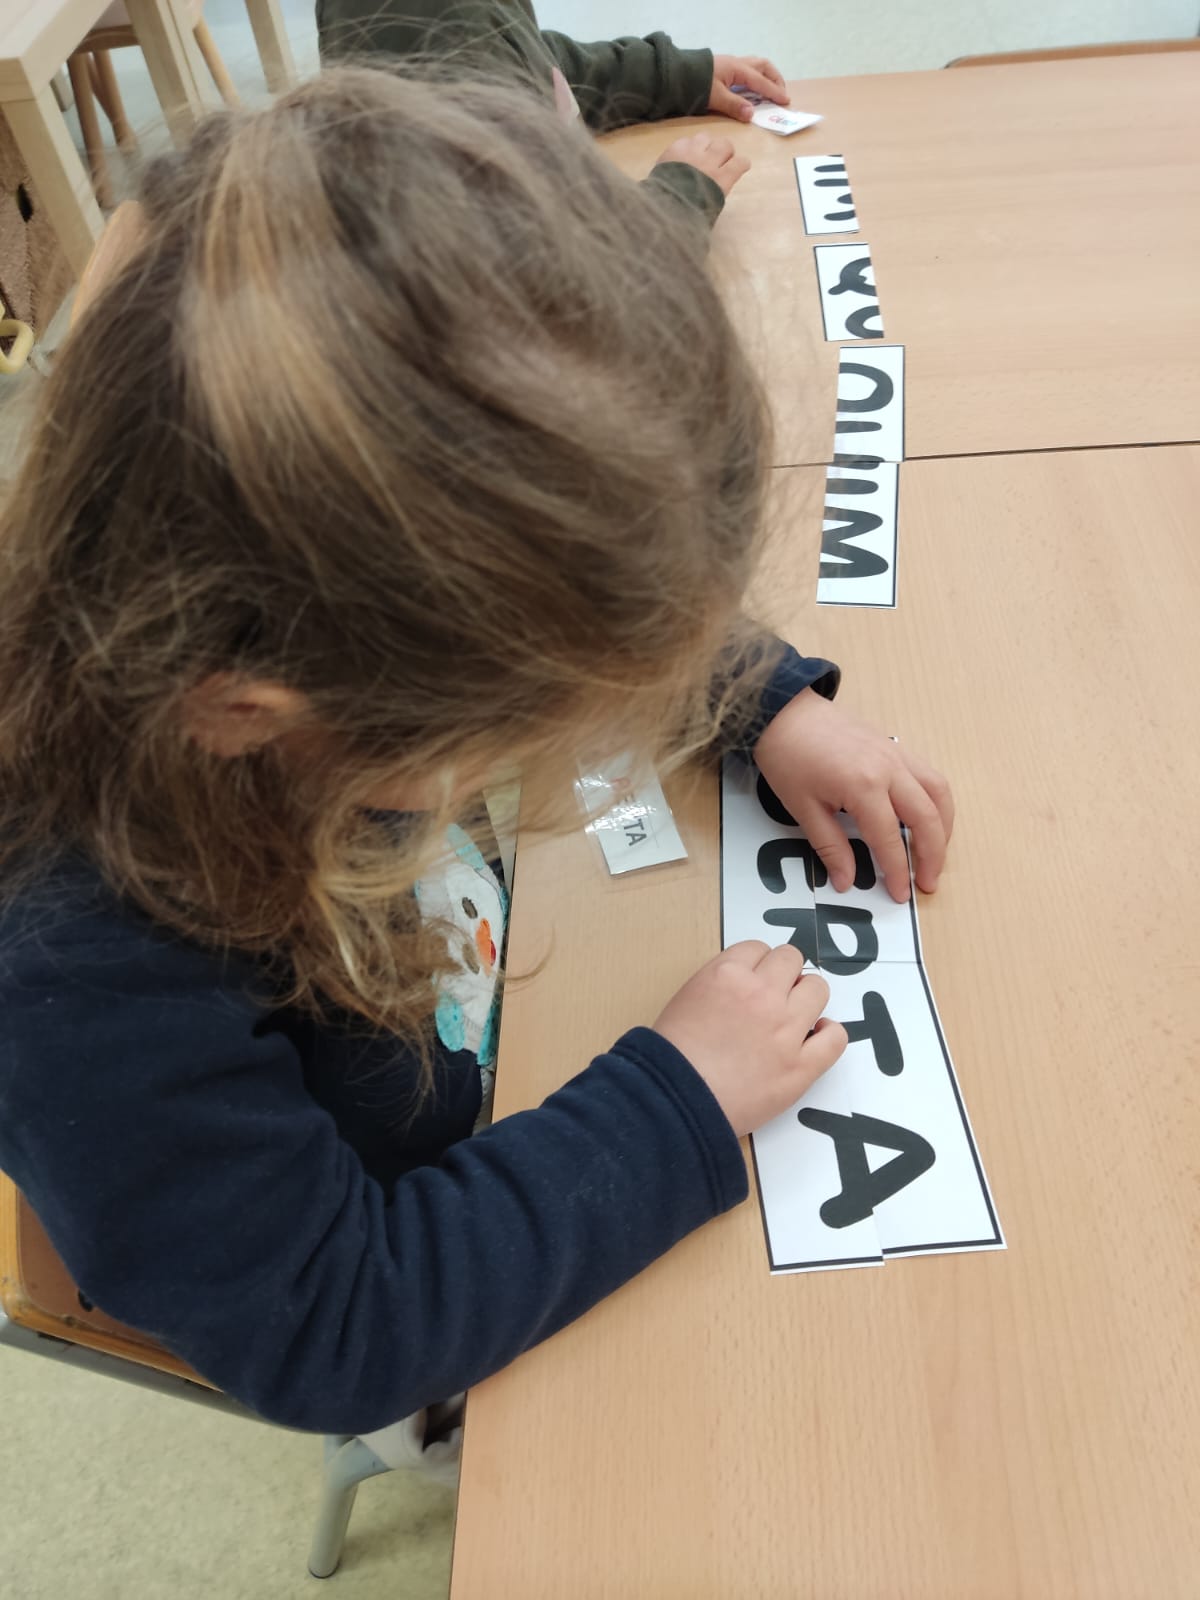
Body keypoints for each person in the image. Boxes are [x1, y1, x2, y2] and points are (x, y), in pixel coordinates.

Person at [0, 69, 952, 1451]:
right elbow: (336, 1327)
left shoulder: (277, 621)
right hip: (443, 1303)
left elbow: (544, 572)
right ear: (250, 710)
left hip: (478, 1047)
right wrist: (675, 1101)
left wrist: (762, 698)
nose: (563, 733)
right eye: (515, 725)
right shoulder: (79, 975)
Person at [318, 0, 792, 218]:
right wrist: (676, 201)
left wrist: (675, 75)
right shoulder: (429, 19)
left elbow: (532, 68)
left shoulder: (459, 25)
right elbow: (524, 272)